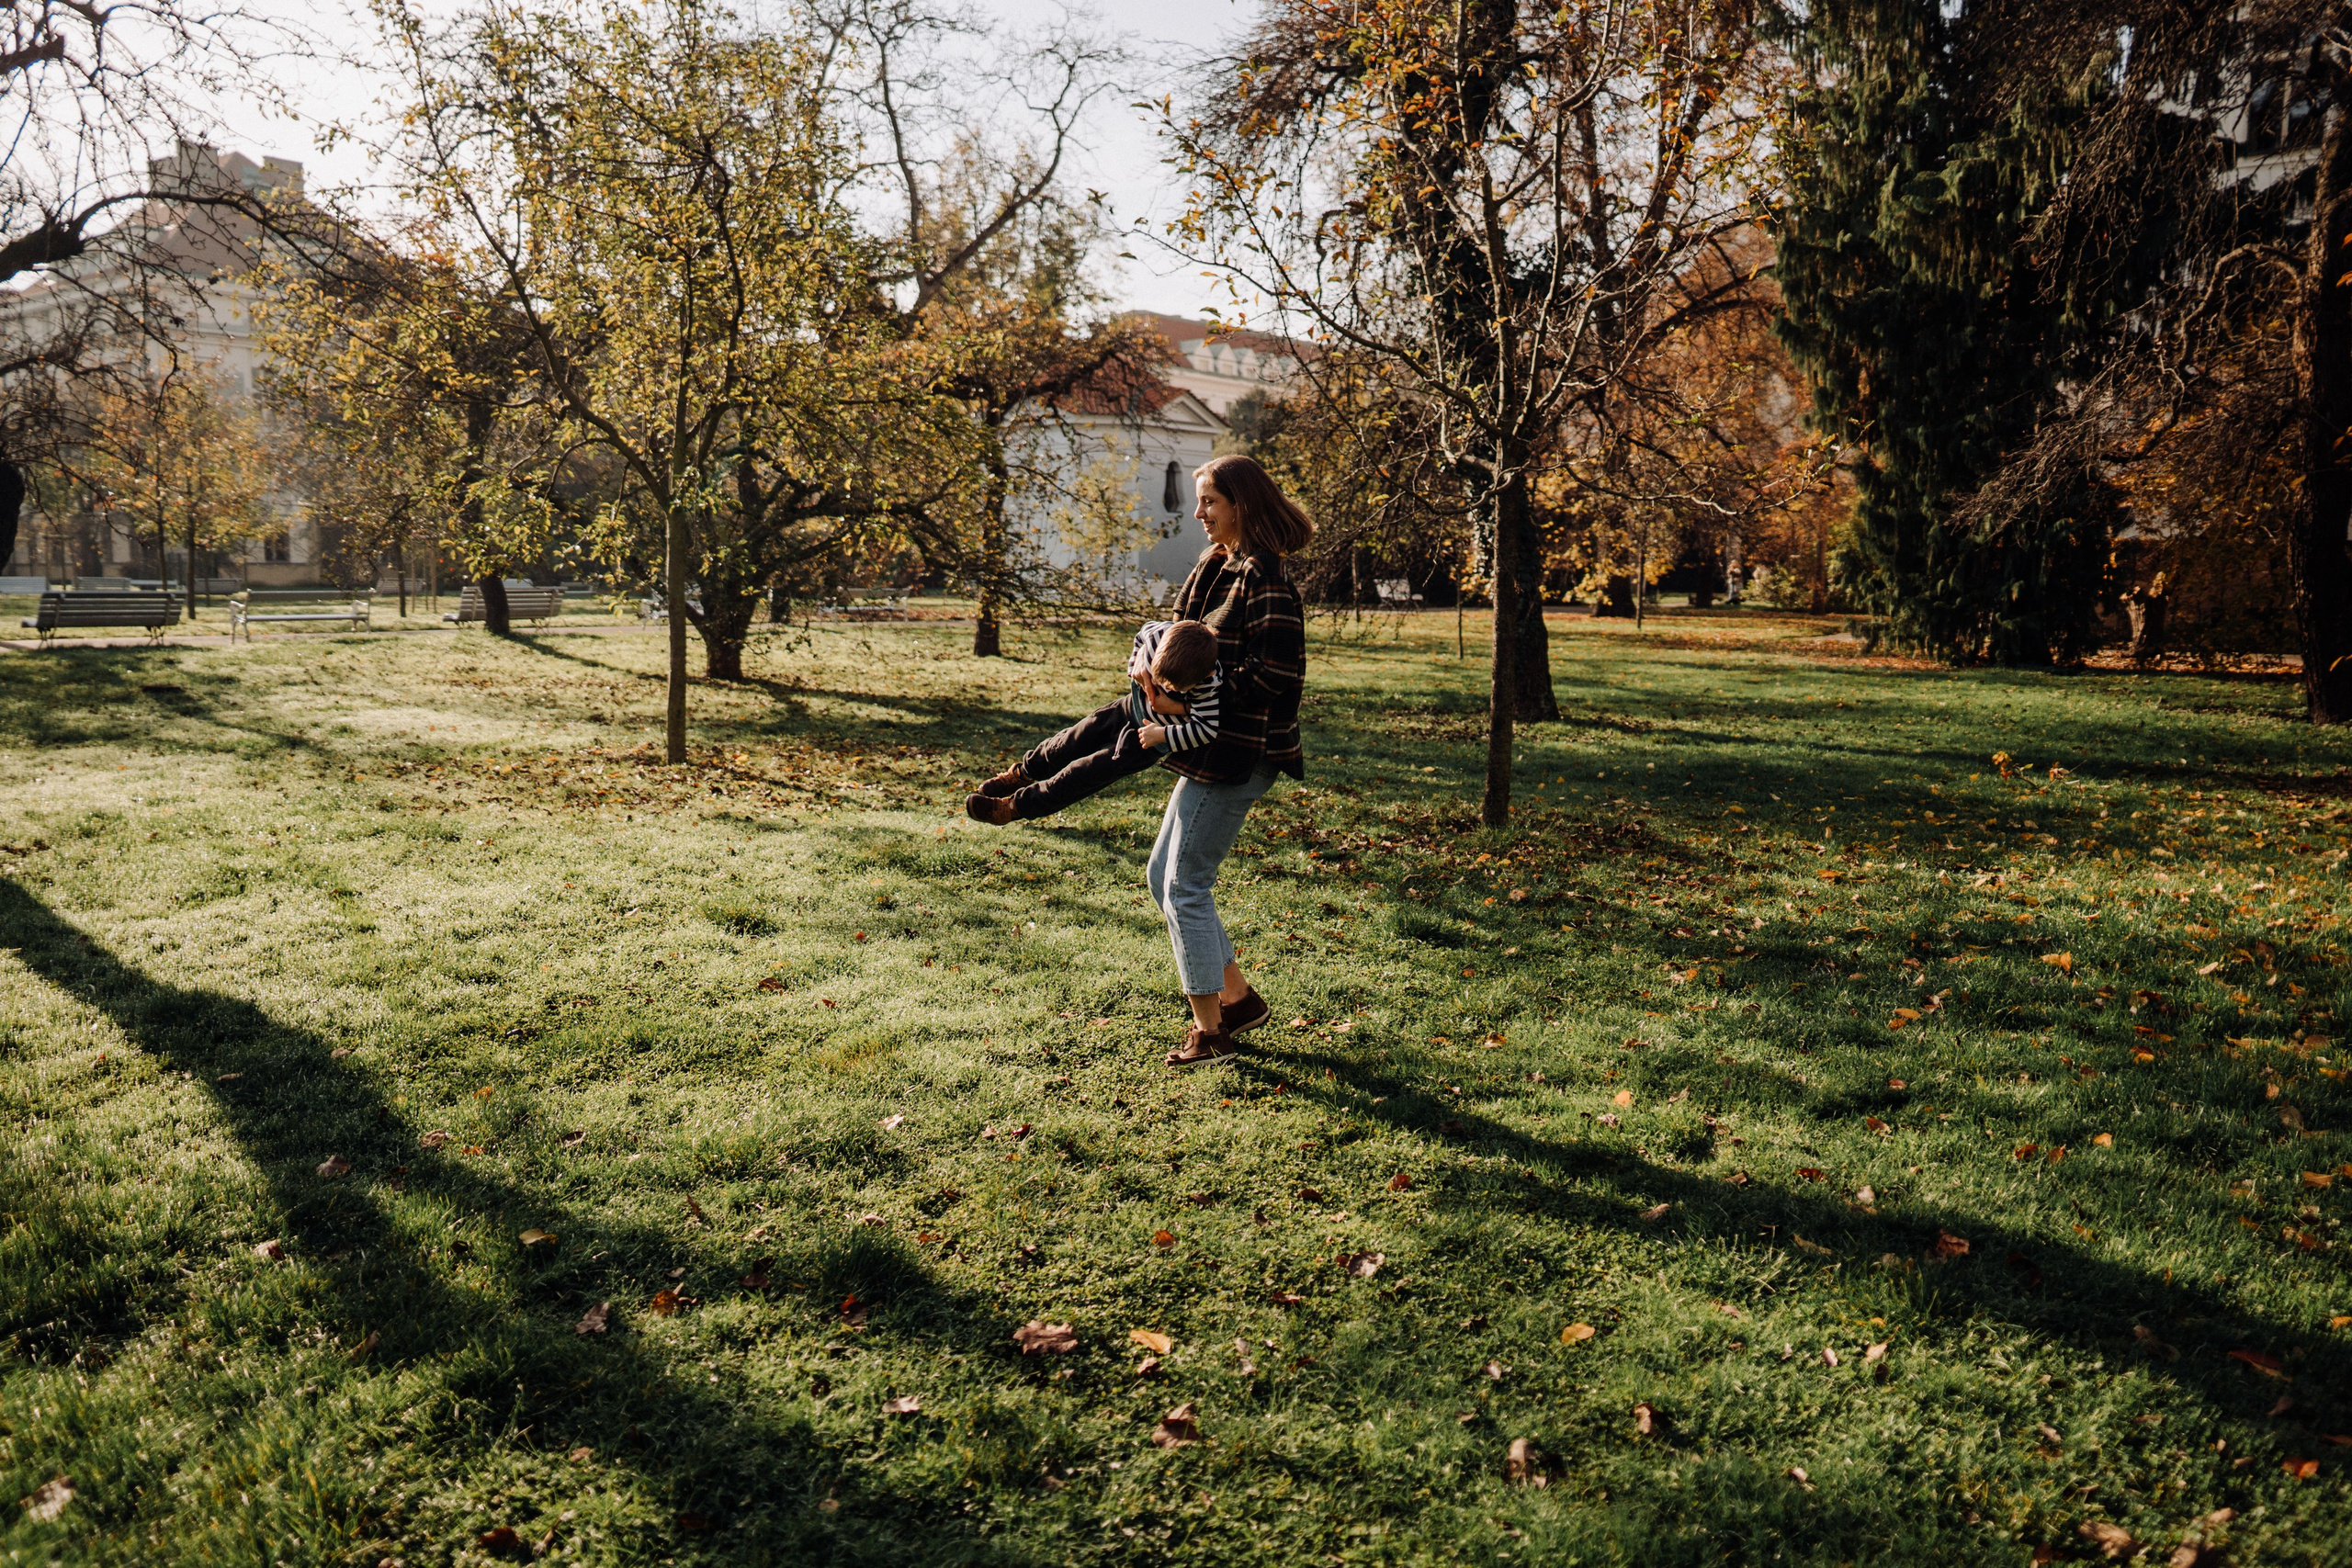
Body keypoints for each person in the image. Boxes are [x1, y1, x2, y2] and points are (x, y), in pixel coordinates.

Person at [1144, 454, 1310, 1068]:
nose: (1199, 513)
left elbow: (1275, 676)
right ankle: (1237, 998)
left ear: (1242, 502)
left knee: (1184, 885)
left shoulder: (1266, 577)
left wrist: (1188, 701)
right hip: (1212, 746)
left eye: (1210, 501)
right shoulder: (1220, 566)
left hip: (1244, 750)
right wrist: (1152, 662)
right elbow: (1181, 639)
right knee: (1162, 872)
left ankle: (1211, 1031)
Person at [964, 618, 1223, 825]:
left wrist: (1161, 735)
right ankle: (1022, 773)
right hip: (1123, 709)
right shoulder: (1159, 636)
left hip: (1141, 744)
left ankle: (1013, 807)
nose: (1165, 688)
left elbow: (1206, 729)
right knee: (1065, 743)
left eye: (1175, 687)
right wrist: (1139, 672)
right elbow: (1142, 634)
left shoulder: (1207, 683)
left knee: (1080, 774)